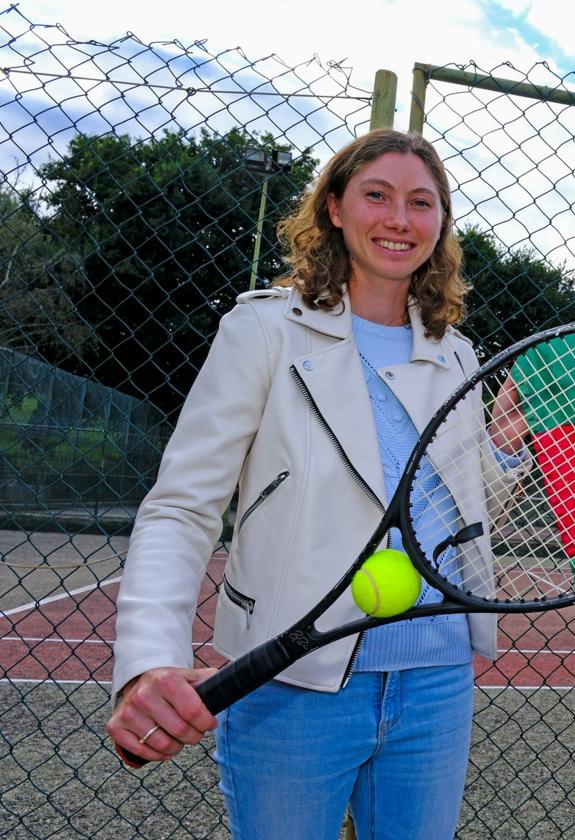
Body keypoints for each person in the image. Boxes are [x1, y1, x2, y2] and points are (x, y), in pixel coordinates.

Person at [107, 129, 525, 839]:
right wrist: (150, 657)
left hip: (437, 678)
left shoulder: (457, 353)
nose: (400, 219)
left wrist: (506, 455)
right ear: (334, 208)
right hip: (291, 680)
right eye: (378, 195)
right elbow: (182, 506)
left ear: (440, 224)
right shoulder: (264, 330)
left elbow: (464, 509)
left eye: (422, 203)